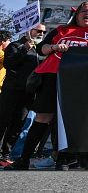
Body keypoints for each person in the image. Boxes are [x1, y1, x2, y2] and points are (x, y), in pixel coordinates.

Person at [6, 2, 88, 171]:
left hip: (81, 81)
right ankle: (24, 158)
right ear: (77, 14)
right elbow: (41, 48)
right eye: (83, 11)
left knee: (70, 119)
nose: (87, 13)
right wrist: (54, 47)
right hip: (53, 75)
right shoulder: (61, 30)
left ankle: (63, 159)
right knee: (42, 117)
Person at [0, 24, 45, 162]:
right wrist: (25, 48)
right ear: (29, 31)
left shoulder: (40, 50)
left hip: (28, 94)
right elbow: (9, 64)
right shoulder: (15, 45)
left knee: (18, 124)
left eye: (43, 32)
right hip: (11, 91)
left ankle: (5, 153)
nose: (41, 34)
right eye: (39, 31)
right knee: (3, 120)